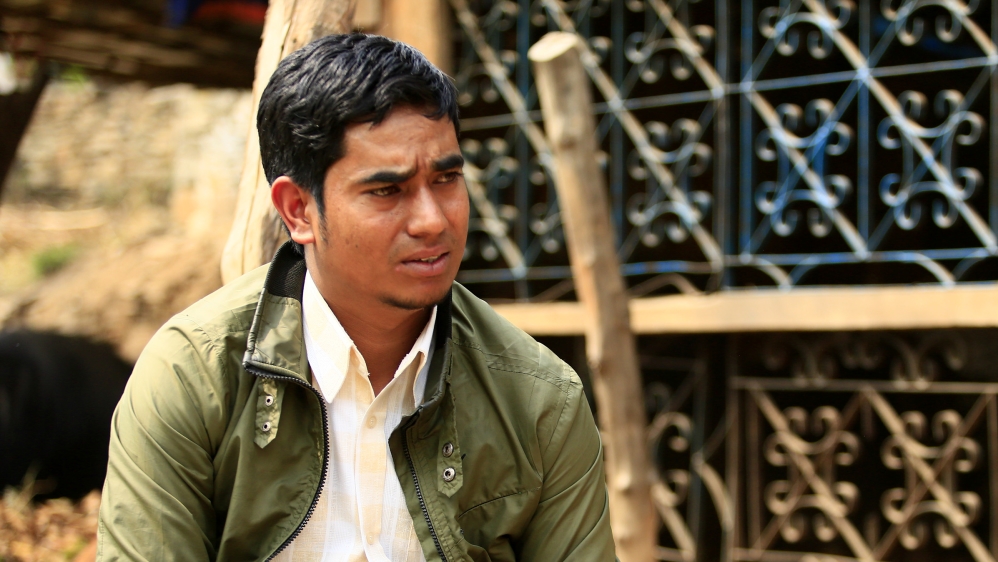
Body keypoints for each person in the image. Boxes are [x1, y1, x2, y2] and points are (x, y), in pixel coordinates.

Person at [97, 34, 615, 561]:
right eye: (386, 190)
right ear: (298, 210)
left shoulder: (539, 401)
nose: (432, 220)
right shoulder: (195, 375)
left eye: (446, 178)